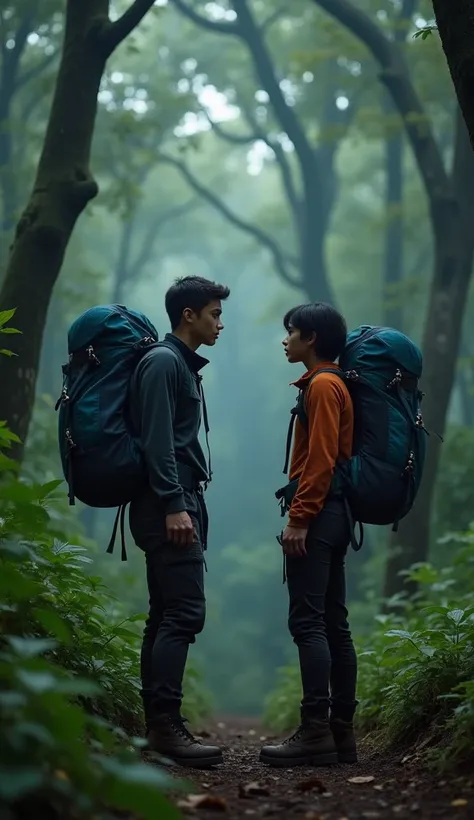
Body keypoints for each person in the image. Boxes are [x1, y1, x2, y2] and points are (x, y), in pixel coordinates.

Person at [128, 275, 230, 767]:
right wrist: (173, 503)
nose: (219, 323)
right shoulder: (165, 362)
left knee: (164, 613)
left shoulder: (178, 365)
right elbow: (156, 441)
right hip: (167, 502)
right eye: (213, 313)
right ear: (187, 315)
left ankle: (157, 729)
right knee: (184, 614)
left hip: (177, 498)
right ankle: (166, 729)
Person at [260, 302, 358, 768]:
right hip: (338, 514)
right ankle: (342, 735)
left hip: (318, 516)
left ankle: (316, 730)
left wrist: (299, 518)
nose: (286, 339)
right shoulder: (332, 383)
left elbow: (319, 461)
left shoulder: (321, 386)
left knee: (309, 623)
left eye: (291, 331)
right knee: (334, 624)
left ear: (311, 338)